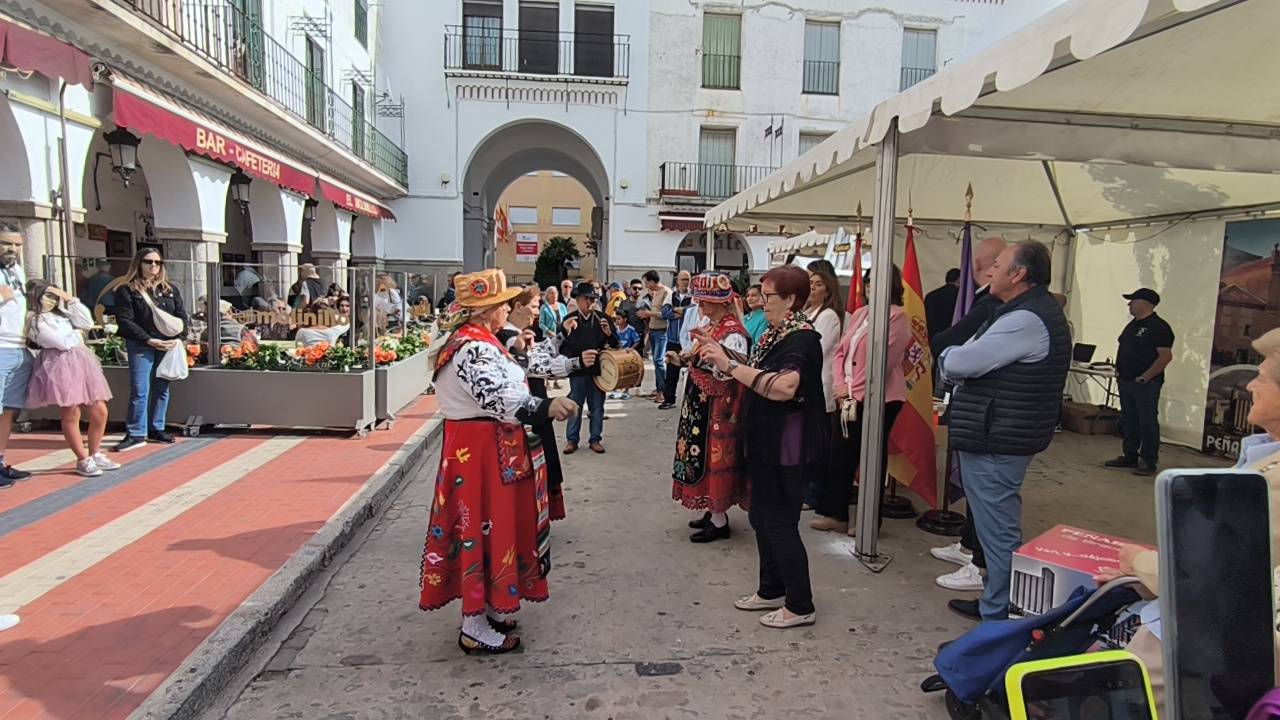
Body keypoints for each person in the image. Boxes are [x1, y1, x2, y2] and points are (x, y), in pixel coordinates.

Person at [1095, 326, 1280, 716]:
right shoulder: (1263, 457)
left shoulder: (1272, 481)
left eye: (1262, 378)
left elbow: (1224, 582)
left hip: (1198, 649)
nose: (1250, 388)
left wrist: (1139, 564)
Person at [419, 269, 578, 655]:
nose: (508, 308)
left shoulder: (478, 341)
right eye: (503, 303)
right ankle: (473, 623)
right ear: (487, 310)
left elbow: (511, 381)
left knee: (492, 529)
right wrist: (545, 405)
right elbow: (498, 398)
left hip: (484, 449)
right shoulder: (472, 347)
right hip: (479, 454)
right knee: (480, 527)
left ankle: (488, 606)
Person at [937, 241, 1070, 622]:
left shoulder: (1025, 319)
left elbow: (963, 359)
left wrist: (947, 358)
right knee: (996, 524)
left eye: (998, 264)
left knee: (998, 532)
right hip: (1001, 430)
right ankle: (994, 601)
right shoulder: (1022, 311)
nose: (990, 271)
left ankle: (999, 617)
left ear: (1019, 274)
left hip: (998, 434)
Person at [696, 265, 828, 629]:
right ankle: (771, 589)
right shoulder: (775, 332)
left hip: (787, 444)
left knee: (780, 522)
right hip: (766, 438)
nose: (761, 301)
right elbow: (755, 373)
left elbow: (785, 387)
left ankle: (800, 605)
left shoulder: (801, 339)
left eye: (769, 296)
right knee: (760, 517)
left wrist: (729, 365)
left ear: (791, 300)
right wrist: (722, 356)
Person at [929, 236, 1007, 593]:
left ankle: (981, 564)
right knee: (979, 487)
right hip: (977, 404)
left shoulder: (1000, 306)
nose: (974, 267)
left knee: (990, 493)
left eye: (982, 261)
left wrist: (950, 358)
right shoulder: (987, 300)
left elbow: (954, 343)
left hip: (994, 413)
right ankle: (969, 544)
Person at [811, 265, 910, 535]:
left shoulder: (898, 318)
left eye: (876, 282)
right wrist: (842, 385)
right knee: (840, 454)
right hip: (849, 396)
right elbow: (842, 351)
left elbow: (881, 364)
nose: (870, 287)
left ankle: (869, 521)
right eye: (868, 282)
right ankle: (836, 514)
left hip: (880, 399)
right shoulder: (862, 314)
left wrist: (852, 391)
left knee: (871, 458)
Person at [672, 273, 749, 543]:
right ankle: (712, 511)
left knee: (713, 459)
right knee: (701, 457)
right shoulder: (716, 326)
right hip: (704, 406)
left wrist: (696, 360)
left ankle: (719, 520)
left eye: (705, 303)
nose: (701, 308)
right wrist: (688, 358)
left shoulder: (733, 333)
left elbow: (727, 373)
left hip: (719, 409)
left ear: (720, 303)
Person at [496, 288, 579, 522]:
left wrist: (560, 334)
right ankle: (527, 519)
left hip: (533, 401)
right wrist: (577, 363)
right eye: (533, 306)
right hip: (526, 405)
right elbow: (538, 366)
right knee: (532, 461)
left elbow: (542, 354)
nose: (536, 311)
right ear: (518, 306)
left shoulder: (518, 333)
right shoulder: (508, 336)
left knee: (540, 459)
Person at [24, 280, 120, 477]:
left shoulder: (64, 315)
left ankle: (95, 452)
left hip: (82, 361)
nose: (50, 300)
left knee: (99, 411)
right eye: (46, 295)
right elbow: (62, 342)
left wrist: (71, 300)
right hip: (60, 365)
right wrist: (78, 334)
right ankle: (82, 458)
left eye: (53, 295)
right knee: (71, 412)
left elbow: (86, 321)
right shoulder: (36, 320)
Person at [113, 247, 187, 453]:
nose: (153, 266)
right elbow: (125, 321)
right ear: (138, 263)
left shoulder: (169, 289)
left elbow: (182, 316)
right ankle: (136, 432)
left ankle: (157, 427)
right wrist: (149, 340)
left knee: (162, 387)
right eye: (148, 261)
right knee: (140, 389)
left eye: (157, 262)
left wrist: (179, 338)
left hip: (167, 344)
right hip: (141, 345)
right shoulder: (127, 290)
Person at [1104, 288, 1174, 477]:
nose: (1129, 304)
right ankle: (1130, 455)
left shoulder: (1159, 327)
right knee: (1130, 420)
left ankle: (1148, 460)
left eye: (1133, 300)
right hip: (1126, 379)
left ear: (1145, 303)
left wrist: (1147, 376)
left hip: (1145, 383)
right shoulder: (1132, 325)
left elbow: (1165, 356)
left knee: (1147, 421)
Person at [558, 280, 618, 454]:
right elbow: (561, 346)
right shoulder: (569, 320)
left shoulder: (603, 319)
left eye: (593, 299)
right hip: (577, 369)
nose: (590, 303)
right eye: (586, 299)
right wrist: (574, 360)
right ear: (577, 300)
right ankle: (572, 440)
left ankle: (595, 439)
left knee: (597, 405)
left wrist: (609, 334)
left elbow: (615, 344)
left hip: (598, 370)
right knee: (575, 404)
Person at [802, 265, 844, 507]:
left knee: (818, 445)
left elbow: (817, 349)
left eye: (818, 284)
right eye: (810, 282)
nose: (812, 288)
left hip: (822, 385)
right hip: (809, 384)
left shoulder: (828, 316)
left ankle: (814, 494)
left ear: (828, 290)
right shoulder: (809, 311)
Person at [0, 225, 32, 483]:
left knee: (9, 411)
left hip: (19, 347)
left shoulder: (16, 271)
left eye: (17, 245)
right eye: (6, 243)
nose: (12, 249)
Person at [658, 270, 693, 409]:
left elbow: (692, 311)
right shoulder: (671, 295)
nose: (686, 282)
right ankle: (669, 399)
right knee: (671, 371)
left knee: (691, 372)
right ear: (677, 280)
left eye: (688, 279)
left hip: (688, 340)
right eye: (683, 279)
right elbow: (664, 312)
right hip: (673, 339)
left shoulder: (693, 296)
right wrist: (681, 313)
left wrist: (679, 310)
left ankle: (690, 400)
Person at [638, 270, 672, 401]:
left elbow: (665, 314)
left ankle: (662, 391)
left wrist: (648, 314)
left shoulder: (666, 292)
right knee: (656, 361)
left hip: (662, 331)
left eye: (646, 282)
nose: (645, 285)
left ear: (652, 281)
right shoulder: (655, 293)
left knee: (659, 361)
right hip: (653, 330)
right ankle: (659, 386)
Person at [609, 314, 641, 400]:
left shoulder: (631, 330)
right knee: (616, 373)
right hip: (617, 354)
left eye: (619, 319)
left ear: (625, 319)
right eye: (616, 319)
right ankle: (615, 390)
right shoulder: (615, 329)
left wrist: (631, 348)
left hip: (627, 355)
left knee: (627, 373)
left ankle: (626, 391)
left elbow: (637, 341)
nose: (617, 321)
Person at [925, 268, 961, 340]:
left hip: (932, 338)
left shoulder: (930, 296)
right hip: (951, 337)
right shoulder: (960, 296)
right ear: (959, 280)